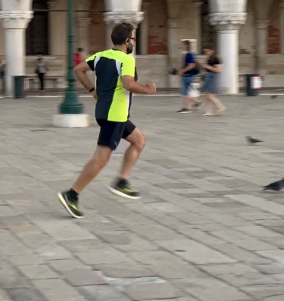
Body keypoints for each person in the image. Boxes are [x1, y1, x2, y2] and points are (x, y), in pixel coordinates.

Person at [57, 23, 157, 219]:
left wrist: (92, 91)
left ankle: (122, 180)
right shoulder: (126, 59)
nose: (134, 42)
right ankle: (72, 194)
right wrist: (147, 89)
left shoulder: (100, 55)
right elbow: (129, 84)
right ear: (127, 41)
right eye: (134, 39)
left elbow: (78, 70)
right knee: (101, 159)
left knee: (139, 141)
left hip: (106, 112)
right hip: (115, 116)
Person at [200, 47, 226, 116]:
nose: (206, 53)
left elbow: (218, 70)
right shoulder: (209, 58)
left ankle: (221, 107)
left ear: (212, 50)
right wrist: (204, 66)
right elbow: (208, 67)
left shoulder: (217, 59)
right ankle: (209, 111)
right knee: (206, 95)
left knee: (211, 96)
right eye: (205, 51)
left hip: (213, 76)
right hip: (208, 76)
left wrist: (208, 67)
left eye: (208, 51)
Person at [177, 40, 201, 114]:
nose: (181, 47)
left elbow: (191, 65)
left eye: (183, 45)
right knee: (186, 92)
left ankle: (188, 107)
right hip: (191, 75)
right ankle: (192, 104)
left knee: (186, 92)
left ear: (187, 46)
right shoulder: (193, 53)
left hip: (188, 75)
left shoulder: (189, 54)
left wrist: (183, 71)